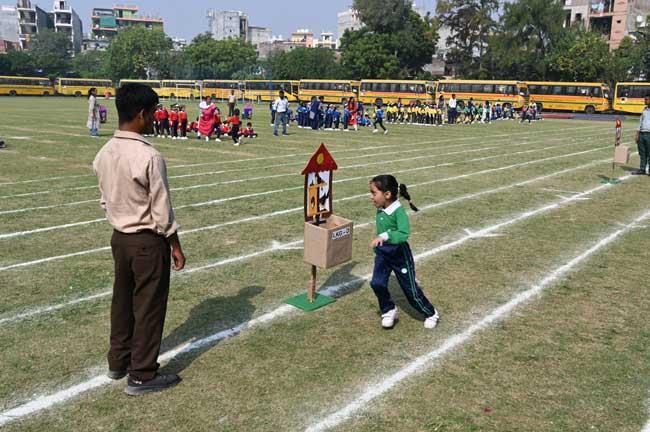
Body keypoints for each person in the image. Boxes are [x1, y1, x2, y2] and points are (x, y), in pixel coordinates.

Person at [92, 83, 186, 396]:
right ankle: (142, 374)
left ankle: (118, 361)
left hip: (120, 238)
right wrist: (175, 245)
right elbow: (161, 209)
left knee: (122, 301)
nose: (156, 117)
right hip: (147, 241)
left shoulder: (104, 152)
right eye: (154, 111)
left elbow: (104, 199)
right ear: (142, 114)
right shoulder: (149, 156)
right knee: (148, 307)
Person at [368, 175, 439, 330]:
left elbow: (403, 233)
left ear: (387, 194)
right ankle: (389, 310)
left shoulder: (398, 211)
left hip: (400, 255)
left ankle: (431, 313)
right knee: (377, 283)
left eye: (374, 193)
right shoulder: (381, 208)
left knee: (410, 290)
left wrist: (385, 236)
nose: (370, 196)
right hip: (383, 254)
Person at [634, 94, 650, 175]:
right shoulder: (644, 110)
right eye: (645, 99)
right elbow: (640, 122)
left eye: (646, 99)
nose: (645, 101)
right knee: (642, 153)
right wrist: (637, 134)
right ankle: (642, 169)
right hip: (641, 134)